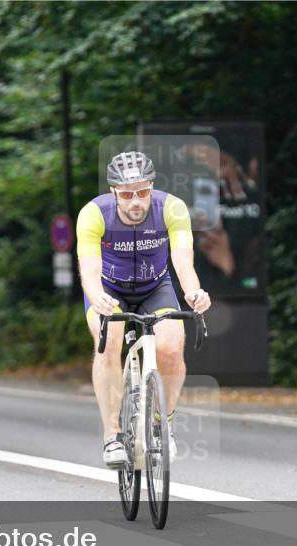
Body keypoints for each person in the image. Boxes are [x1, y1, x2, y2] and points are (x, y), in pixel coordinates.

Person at [76, 151, 211, 468]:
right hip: (108, 289)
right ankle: (112, 435)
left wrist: (194, 292)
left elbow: (182, 262)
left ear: (152, 186)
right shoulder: (94, 214)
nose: (135, 201)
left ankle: (163, 423)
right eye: (126, 194)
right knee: (109, 340)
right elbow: (90, 269)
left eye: (142, 192)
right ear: (113, 192)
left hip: (155, 287)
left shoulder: (172, 208)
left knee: (171, 344)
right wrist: (97, 297)